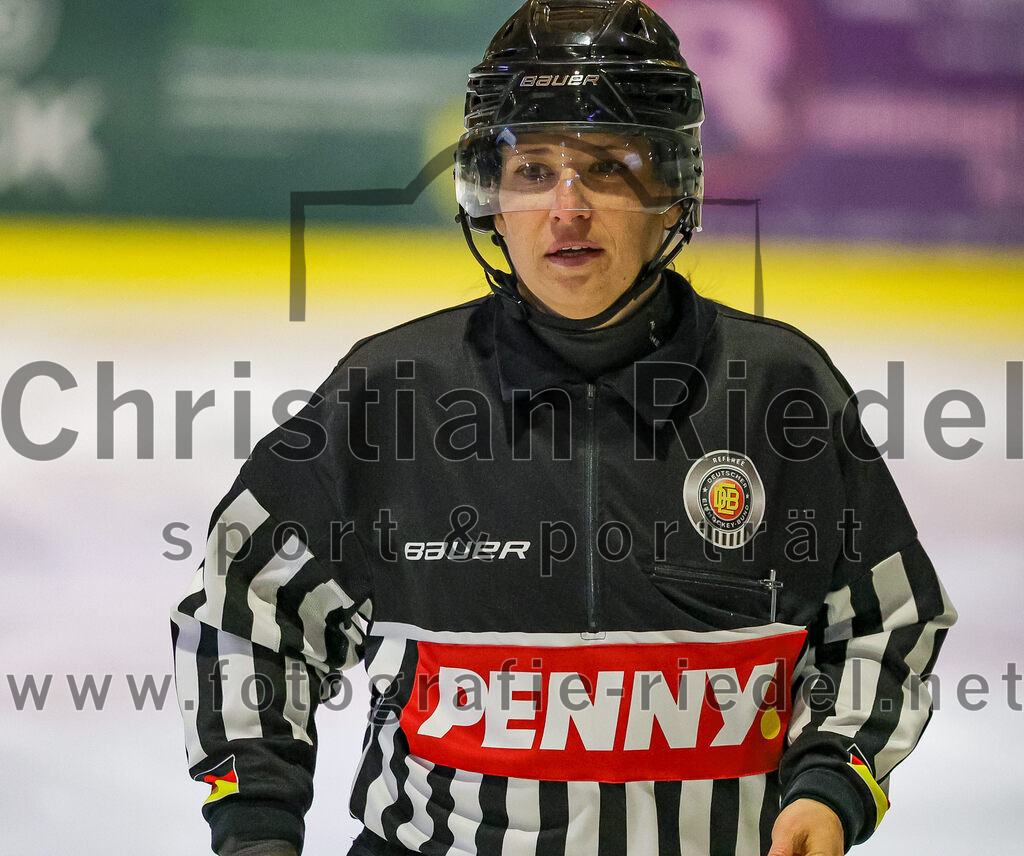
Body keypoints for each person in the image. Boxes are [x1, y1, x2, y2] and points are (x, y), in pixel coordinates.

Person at [171, 2, 956, 855]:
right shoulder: (390, 396)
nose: (568, 208)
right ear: (491, 194)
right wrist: (253, 825)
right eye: (534, 169)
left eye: (608, 168)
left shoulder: (779, 392)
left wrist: (837, 780)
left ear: (671, 190)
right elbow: (244, 620)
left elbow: (886, 623)